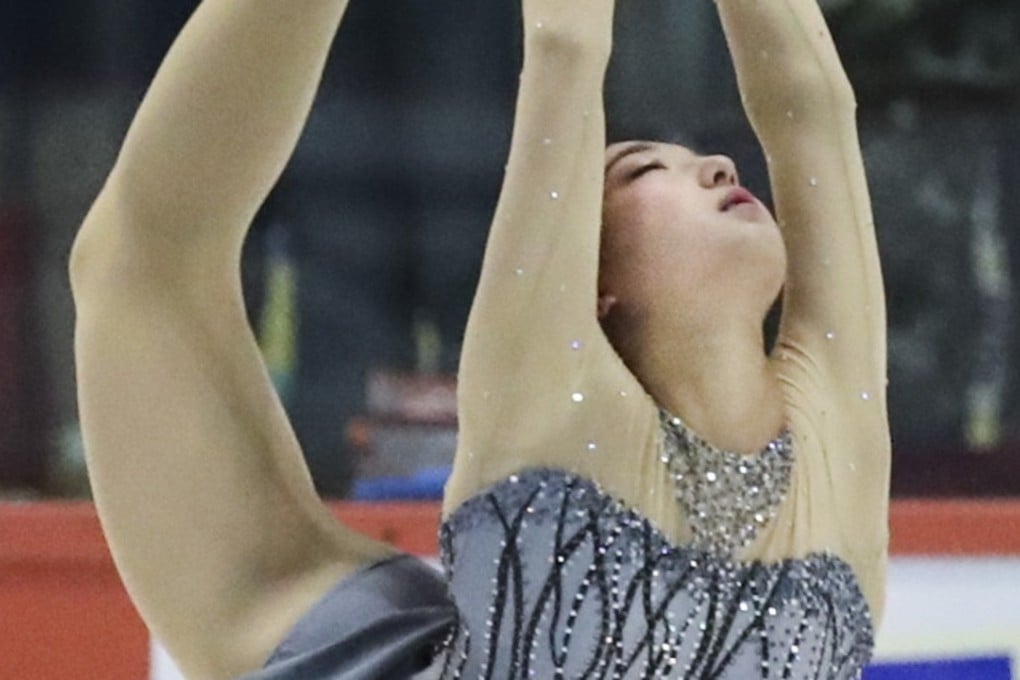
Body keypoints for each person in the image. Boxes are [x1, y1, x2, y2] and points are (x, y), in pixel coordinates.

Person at [70, 0, 888, 678]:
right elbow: (566, 44)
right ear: (587, 288)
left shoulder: (831, 441)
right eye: (644, 170)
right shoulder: (565, 413)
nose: (714, 164)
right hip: (353, 649)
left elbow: (811, 107)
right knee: (137, 263)